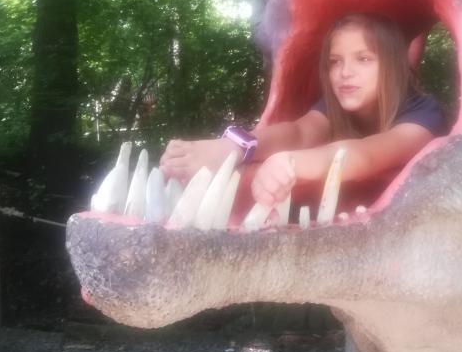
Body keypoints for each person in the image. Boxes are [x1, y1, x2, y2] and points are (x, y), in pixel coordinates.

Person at [159, 14, 445, 213]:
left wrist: (289, 164)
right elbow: (299, 132)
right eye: (335, 62)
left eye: (363, 59)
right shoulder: (335, 106)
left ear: (394, 65)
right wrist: (234, 147)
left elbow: (365, 154)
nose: (345, 72)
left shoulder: (425, 115)